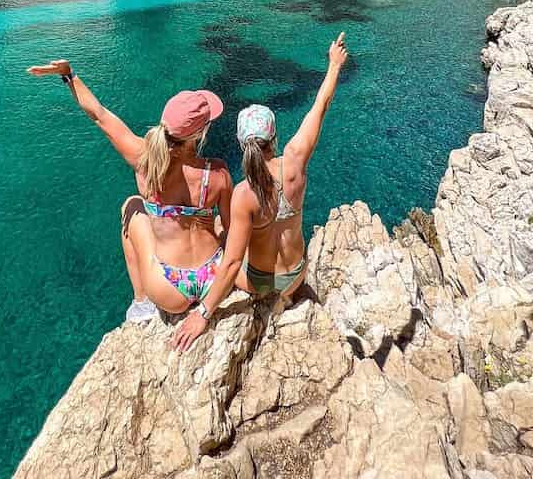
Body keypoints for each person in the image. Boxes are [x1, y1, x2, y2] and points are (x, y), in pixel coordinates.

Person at [172, 31, 348, 352]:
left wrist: (203, 313)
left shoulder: (243, 193)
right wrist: (334, 65)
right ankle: (289, 297)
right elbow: (320, 106)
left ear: (242, 144)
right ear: (274, 138)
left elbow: (232, 263)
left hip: (258, 283)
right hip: (295, 276)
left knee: (218, 230)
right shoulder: (294, 162)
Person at [27, 59, 232, 323]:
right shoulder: (217, 173)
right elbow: (230, 229)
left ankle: (141, 303)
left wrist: (69, 75)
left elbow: (100, 115)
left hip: (169, 288)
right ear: (200, 134)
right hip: (213, 277)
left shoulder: (143, 159)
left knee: (132, 205)